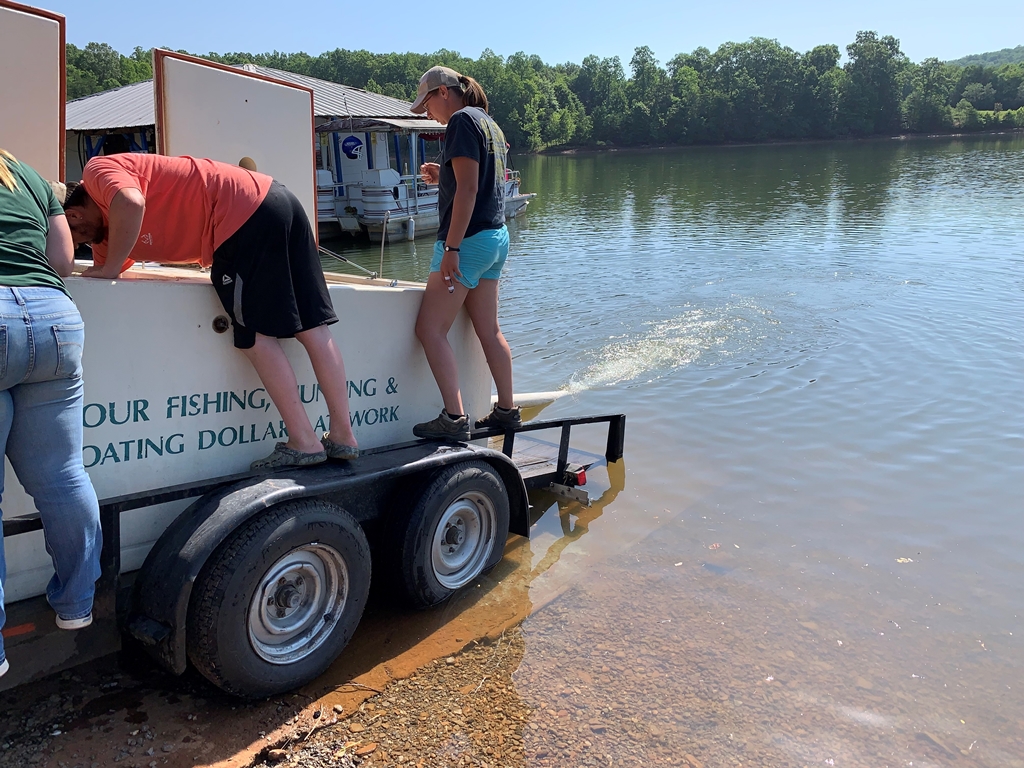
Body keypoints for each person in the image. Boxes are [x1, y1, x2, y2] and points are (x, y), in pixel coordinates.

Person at [62, 153, 358, 468]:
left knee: (254, 335)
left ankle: (304, 442)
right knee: (313, 327)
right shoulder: (108, 239)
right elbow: (111, 269)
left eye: (74, 234)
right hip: (277, 198)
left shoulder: (97, 170)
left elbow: (132, 203)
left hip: (240, 215)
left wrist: (108, 271)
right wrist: (107, 268)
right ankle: (343, 436)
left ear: (75, 214)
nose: (80, 244)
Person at [0, 149, 103, 677]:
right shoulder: (27, 175)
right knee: (64, 476)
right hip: (54, 316)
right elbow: (61, 261)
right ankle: (77, 605)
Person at [409, 66, 521, 440]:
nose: (427, 114)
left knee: (429, 329)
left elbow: (470, 191)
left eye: (426, 104)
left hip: (469, 241)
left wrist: (451, 248)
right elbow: (482, 180)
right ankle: (507, 411)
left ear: (444, 92)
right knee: (489, 331)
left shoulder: (459, 120)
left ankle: (454, 418)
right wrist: (445, 176)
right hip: (496, 236)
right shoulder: (488, 123)